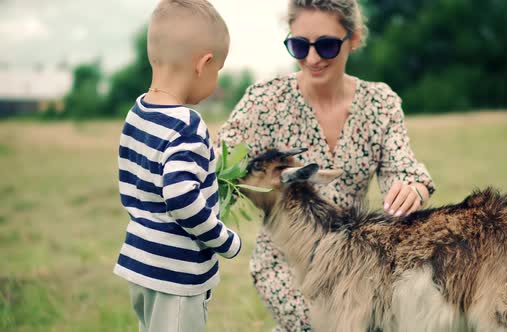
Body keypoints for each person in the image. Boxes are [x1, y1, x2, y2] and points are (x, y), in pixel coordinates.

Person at [218, 1, 435, 330]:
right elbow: (220, 164)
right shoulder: (264, 101)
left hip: (359, 270)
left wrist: (413, 187)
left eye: (327, 45)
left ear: (354, 39)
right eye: (299, 46)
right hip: (286, 267)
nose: (313, 59)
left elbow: (401, 171)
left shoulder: (380, 103)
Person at [113, 1, 241, 331]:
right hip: (177, 274)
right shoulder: (187, 125)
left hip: (141, 264)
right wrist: (224, 240)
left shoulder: (138, 112)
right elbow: (182, 198)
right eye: (219, 70)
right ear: (204, 64)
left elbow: (143, 178)